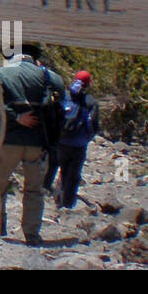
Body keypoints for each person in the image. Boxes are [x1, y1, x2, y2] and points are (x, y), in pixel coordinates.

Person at [0, 43, 65, 245]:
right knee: (34, 189)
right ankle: (32, 233)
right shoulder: (51, 78)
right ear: (34, 58)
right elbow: (61, 109)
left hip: (8, 141)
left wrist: (15, 117)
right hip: (37, 143)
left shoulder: (1, 74)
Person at [54, 70, 99, 210]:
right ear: (88, 84)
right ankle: (68, 203)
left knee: (62, 168)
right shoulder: (91, 101)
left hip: (61, 141)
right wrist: (88, 137)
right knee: (73, 174)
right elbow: (94, 124)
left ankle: (57, 198)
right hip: (79, 144)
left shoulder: (65, 97)